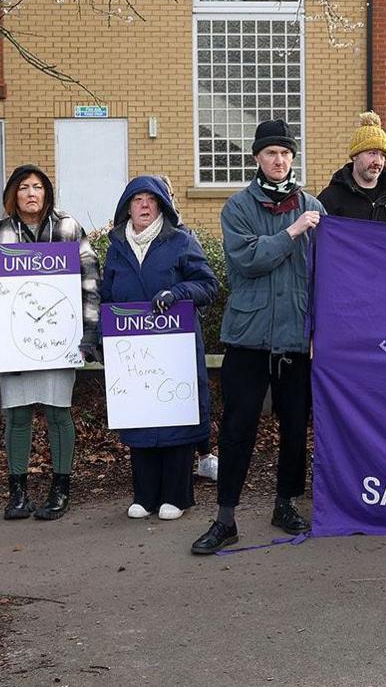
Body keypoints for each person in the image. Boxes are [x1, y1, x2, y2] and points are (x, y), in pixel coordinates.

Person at [192, 120, 324, 555]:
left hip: (295, 340)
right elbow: (247, 260)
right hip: (247, 339)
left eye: (285, 153)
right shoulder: (238, 207)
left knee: (293, 429)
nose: (279, 160)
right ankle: (225, 516)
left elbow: (330, 272)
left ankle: (284, 503)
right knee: (237, 428)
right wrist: (293, 231)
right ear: (257, 159)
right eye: (271, 153)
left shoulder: (311, 205)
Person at [0, 165, 99, 522]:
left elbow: (91, 280)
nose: (31, 193)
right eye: (24, 187)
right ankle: (18, 492)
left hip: (61, 339)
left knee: (59, 413)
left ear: (47, 193)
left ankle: (61, 489)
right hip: (14, 342)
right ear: (13, 194)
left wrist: (89, 334)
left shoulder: (68, 228)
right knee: (17, 416)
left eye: (38, 187)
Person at [102, 175, 220, 521]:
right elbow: (108, 297)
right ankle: (145, 495)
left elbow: (207, 285)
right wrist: (101, 337)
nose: (143, 205)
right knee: (139, 415)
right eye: (136, 199)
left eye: (150, 200)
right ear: (127, 206)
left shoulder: (180, 241)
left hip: (175, 348)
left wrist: (178, 293)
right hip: (133, 351)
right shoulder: (116, 248)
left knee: (175, 416)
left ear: (161, 206)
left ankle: (177, 496)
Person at [317, 112, 386, 221]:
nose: (378, 162)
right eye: (372, 153)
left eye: (383, 156)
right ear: (355, 155)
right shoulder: (331, 198)